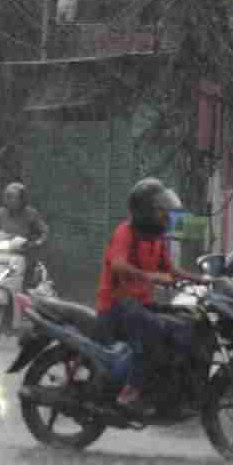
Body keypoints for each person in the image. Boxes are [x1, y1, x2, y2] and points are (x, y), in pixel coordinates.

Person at [95, 177, 208, 414]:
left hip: (139, 305)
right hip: (115, 307)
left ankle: (170, 391)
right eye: (159, 210)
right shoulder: (125, 232)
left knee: (187, 323)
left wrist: (204, 280)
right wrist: (151, 277)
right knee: (155, 329)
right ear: (144, 210)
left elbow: (171, 270)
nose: (164, 215)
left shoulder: (156, 239)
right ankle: (130, 392)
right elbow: (118, 265)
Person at [0, 181, 49, 341]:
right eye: (7, 197)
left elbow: (44, 231)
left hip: (23, 257)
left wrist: (38, 242)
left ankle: (28, 318)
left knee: (27, 286)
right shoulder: (0, 213)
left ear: (23, 199)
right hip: (0, 257)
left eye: (13, 197)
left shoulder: (31, 214)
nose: (9, 200)